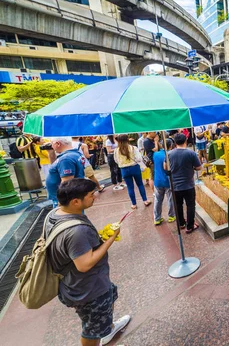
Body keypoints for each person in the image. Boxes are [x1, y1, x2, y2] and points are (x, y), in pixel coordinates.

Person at [46, 179, 130, 346]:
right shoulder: (77, 231)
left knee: (110, 296)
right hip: (88, 290)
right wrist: (111, 238)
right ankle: (101, 333)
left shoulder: (54, 214)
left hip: (79, 283)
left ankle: (108, 328)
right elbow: (84, 264)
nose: (95, 198)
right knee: (91, 330)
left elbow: (70, 248)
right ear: (76, 201)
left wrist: (98, 238)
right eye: (91, 195)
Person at [167, 133, 201, 233]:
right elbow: (198, 167)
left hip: (175, 185)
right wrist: (192, 167)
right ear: (186, 140)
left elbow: (165, 167)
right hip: (188, 185)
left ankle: (181, 223)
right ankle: (190, 226)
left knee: (178, 205)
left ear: (175, 142)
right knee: (190, 205)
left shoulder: (169, 154)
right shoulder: (191, 153)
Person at [114, 134, 151, 210]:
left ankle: (134, 204)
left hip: (124, 169)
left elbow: (116, 160)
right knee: (140, 184)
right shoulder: (133, 148)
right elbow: (139, 158)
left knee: (130, 187)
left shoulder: (116, 150)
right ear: (127, 140)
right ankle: (145, 200)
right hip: (134, 167)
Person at [46, 137, 86, 207]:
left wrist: (62, 201)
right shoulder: (74, 154)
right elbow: (57, 167)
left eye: (52, 143)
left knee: (67, 217)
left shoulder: (66, 159)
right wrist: (50, 153)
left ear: (58, 143)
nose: (51, 146)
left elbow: (67, 183)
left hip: (66, 200)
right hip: (71, 196)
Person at [152, 139, 175, 226]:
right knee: (170, 198)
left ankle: (157, 218)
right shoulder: (170, 155)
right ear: (171, 146)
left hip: (157, 180)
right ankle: (171, 216)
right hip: (168, 180)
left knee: (158, 200)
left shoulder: (155, 154)